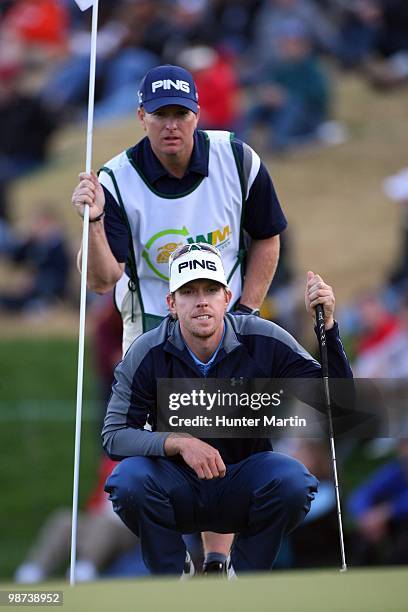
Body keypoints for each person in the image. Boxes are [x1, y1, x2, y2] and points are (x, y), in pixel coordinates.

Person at [71, 63, 287, 570]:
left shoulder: (238, 160)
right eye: (161, 113)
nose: (172, 124)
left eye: (181, 113)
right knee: (148, 461)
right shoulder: (116, 179)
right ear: (141, 115)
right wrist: (95, 220)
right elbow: (102, 280)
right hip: (149, 331)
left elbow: (267, 237)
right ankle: (175, 564)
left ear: (196, 115)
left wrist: (248, 313)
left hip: (223, 322)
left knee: (224, 443)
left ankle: (216, 562)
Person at [102, 243, 353, 577]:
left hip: (243, 482)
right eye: (189, 292)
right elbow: (114, 435)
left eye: (211, 289)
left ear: (227, 297)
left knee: (294, 481)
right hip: (176, 487)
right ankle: (175, 572)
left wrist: (329, 328)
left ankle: (244, 576)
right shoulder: (147, 351)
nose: (201, 300)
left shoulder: (264, 338)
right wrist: (178, 442)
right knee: (127, 481)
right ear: (172, 304)